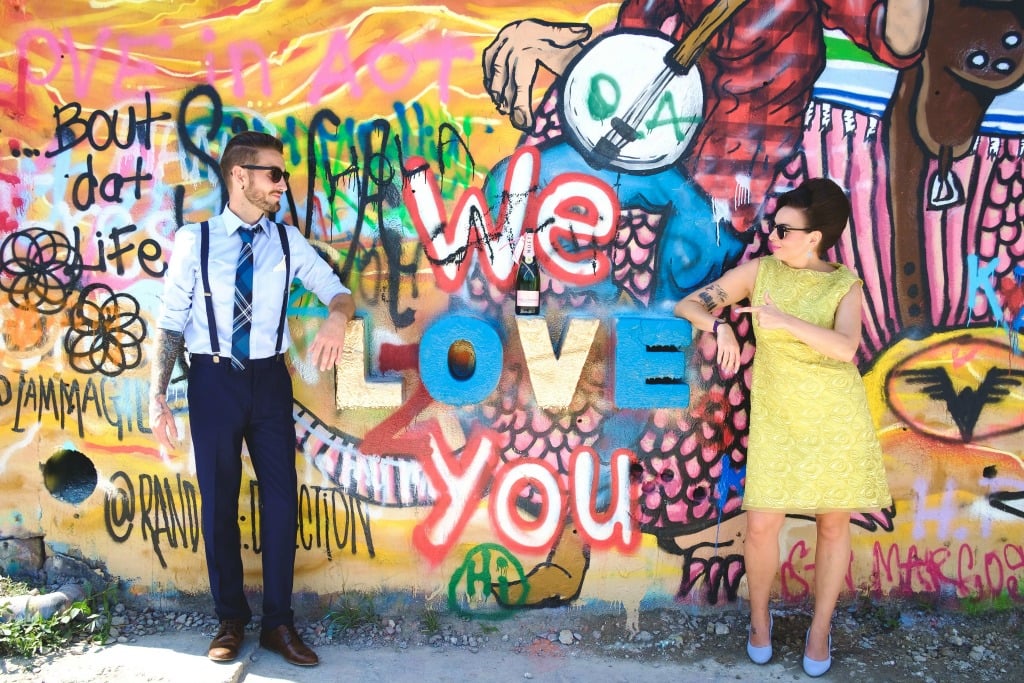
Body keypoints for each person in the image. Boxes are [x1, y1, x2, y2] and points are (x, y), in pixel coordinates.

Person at [148, 131, 355, 667]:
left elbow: (338, 290)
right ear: (240, 176)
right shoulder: (196, 241)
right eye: (274, 174)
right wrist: (157, 398)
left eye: (282, 175)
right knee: (219, 500)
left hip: (268, 381)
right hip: (213, 382)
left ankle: (278, 624)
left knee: (281, 500)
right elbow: (170, 324)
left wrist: (336, 316)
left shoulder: (286, 242)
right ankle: (230, 619)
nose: (282, 185)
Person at [673, 178, 891, 677]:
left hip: (834, 417)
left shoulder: (844, 283)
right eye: (774, 225)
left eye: (784, 229)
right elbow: (689, 304)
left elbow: (844, 347)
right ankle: (759, 623)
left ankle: (819, 628)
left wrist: (784, 321)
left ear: (815, 237)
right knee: (761, 525)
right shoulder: (761, 271)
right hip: (777, 418)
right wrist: (720, 324)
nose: (772, 234)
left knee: (834, 524)